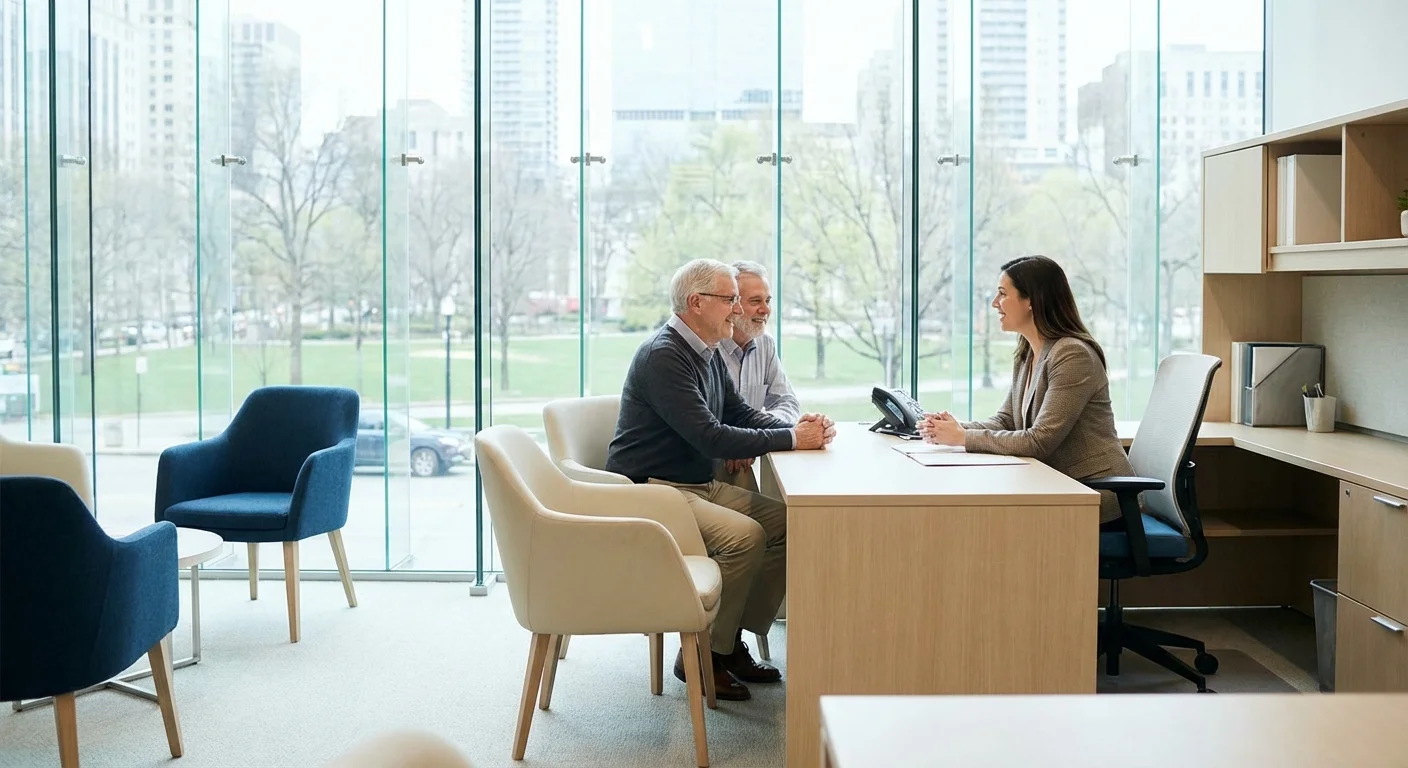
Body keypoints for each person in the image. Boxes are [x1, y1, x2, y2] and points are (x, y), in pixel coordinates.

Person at [605, 258, 836, 701]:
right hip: (652, 491)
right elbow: (709, 435)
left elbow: (737, 413)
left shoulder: (705, 350)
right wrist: (791, 437)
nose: (738, 310)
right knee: (746, 537)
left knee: (790, 523)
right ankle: (703, 656)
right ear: (696, 302)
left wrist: (796, 430)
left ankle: (727, 644)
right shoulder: (665, 356)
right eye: (730, 299)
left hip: (689, 485)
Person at [918, 255, 1135, 527]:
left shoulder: (1072, 355)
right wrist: (953, 428)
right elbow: (1006, 421)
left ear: (1031, 300)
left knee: (985, 525)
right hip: (1055, 485)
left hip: (1095, 495)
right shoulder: (1028, 351)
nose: (995, 304)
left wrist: (963, 437)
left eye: (1002, 294)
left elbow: (1039, 440)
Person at [715, 260, 800, 491]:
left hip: (743, 460)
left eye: (768, 301)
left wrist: (753, 437)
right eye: (755, 301)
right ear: (732, 305)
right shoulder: (708, 346)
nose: (765, 310)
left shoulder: (765, 344)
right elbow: (704, 422)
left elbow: (787, 402)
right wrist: (741, 442)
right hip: (708, 465)